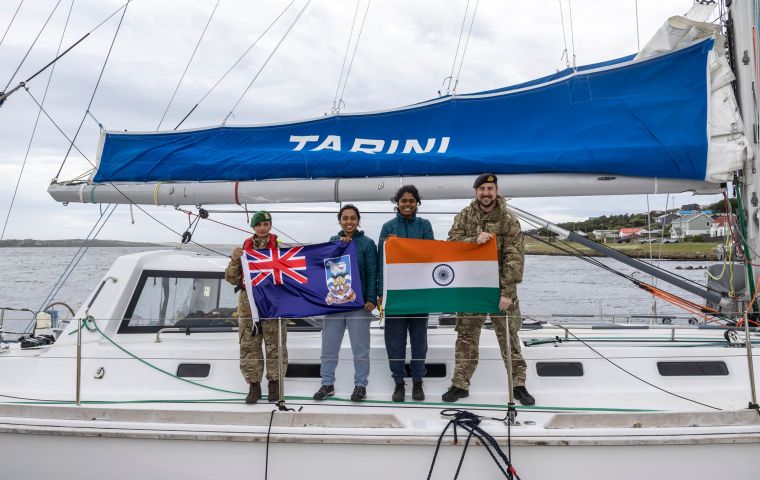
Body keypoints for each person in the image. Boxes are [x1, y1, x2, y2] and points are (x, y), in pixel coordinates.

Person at [442, 174, 535, 406]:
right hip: (471, 289)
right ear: (476, 192)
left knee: (509, 337)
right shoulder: (464, 216)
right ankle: (460, 384)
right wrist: (474, 240)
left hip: (501, 290)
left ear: (496, 190)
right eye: (482, 188)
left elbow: (514, 258)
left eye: (490, 188)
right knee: (466, 337)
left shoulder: (508, 220)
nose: (486, 193)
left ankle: (518, 384)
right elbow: (451, 245)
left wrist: (507, 292)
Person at [313, 204, 378, 402]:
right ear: (340, 221)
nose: (349, 222)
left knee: (360, 349)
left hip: (358, 305)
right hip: (335, 304)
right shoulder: (333, 241)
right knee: (329, 347)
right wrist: (339, 246)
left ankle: (360, 385)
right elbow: (323, 270)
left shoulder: (367, 243)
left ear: (358, 221)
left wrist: (371, 298)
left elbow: (372, 272)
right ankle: (327, 383)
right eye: (345, 218)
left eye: (353, 218)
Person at [377, 185, 434, 402]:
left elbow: (431, 255)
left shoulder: (425, 226)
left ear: (417, 203)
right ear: (397, 203)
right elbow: (382, 263)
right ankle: (399, 382)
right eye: (403, 201)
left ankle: (418, 382)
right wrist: (381, 292)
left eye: (411, 201)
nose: (407, 204)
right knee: (395, 342)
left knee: (419, 341)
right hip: (395, 295)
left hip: (420, 294)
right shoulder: (387, 227)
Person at [225, 210, 288, 404]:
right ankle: (254, 386)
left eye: (266, 224)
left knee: (275, 346)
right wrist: (235, 259)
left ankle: (274, 384)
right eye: (258, 225)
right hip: (248, 305)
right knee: (249, 346)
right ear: (253, 227)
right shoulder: (244, 250)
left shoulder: (280, 249)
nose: (262, 228)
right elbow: (231, 278)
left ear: (270, 226)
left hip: (273, 304)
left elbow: (289, 276)